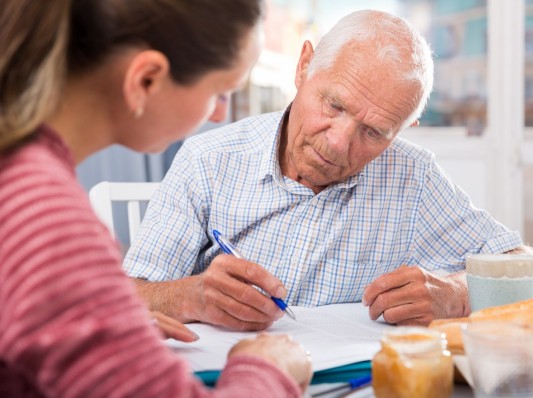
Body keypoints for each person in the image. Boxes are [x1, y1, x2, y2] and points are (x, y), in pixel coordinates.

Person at [123, 10, 533, 331]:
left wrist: (458, 293)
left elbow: (527, 266)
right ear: (304, 66)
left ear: (402, 131)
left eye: (373, 131)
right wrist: (190, 296)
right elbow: (126, 298)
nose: (338, 143)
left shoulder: (412, 176)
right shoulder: (208, 159)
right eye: (334, 105)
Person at [0, 1, 313, 397]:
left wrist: (106, 334)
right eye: (219, 92)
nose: (219, 115)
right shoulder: (46, 219)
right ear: (146, 80)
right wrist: (267, 368)